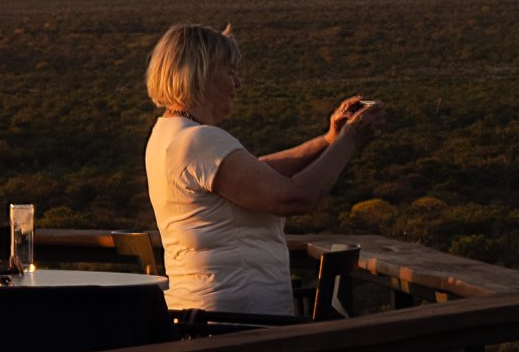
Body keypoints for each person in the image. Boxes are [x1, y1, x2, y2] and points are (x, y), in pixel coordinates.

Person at [142, 23, 385, 322]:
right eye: (229, 72)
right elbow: (294, 198)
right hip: (232, 326)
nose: (237, 82)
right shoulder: (199, 140)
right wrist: (350, 141)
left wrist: (328, 141)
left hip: (203, 316)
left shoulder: (168, 134)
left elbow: (258, 172)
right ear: (201, 74)